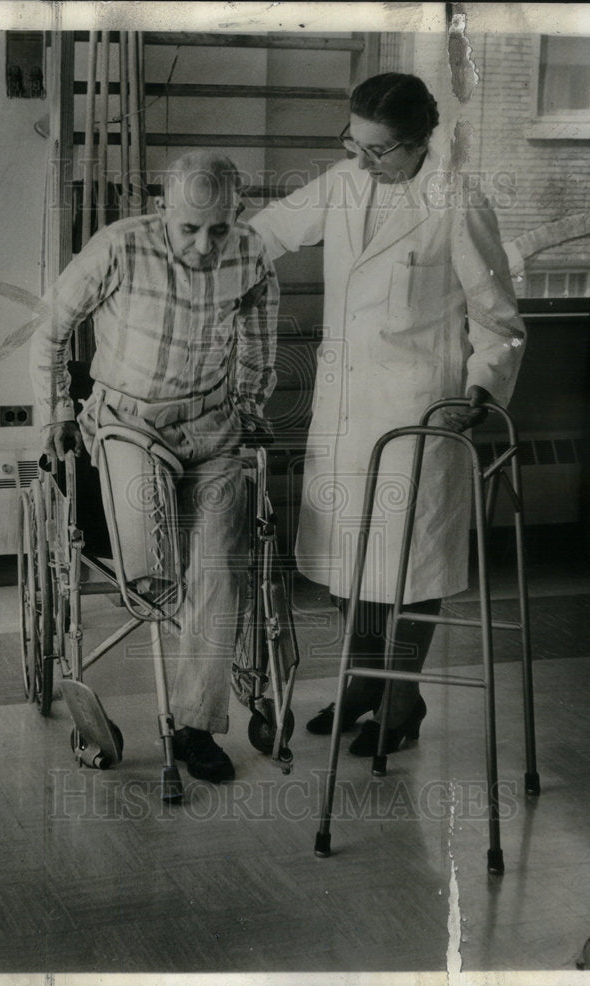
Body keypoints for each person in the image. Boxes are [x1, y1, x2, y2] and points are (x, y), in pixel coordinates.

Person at [249, 73, 526, 756]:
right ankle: (361, 682)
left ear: (420, 140)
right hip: (343, 406)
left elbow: (500, 321)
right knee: (347, 559)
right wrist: (175, 244)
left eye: (381, 150)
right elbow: (267, 232)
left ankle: (402, 699)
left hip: (419, 413)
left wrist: (481, 391)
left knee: (409, 565)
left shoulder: (456, 204)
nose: (366, 161)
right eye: (356, 143)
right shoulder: (343, 184)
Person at [30, 151, 279, 782]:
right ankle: (118, 691)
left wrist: (249, 406)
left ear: (237, 215)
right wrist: (58, 413)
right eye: (189, 227)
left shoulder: (251, 254)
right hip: (127, 425)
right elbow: (50, 329)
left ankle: (195, 726)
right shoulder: (119, 247)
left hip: (212, 427)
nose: (203, 244)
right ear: (162, 207)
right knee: (151, 573)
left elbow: (259, 342)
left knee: (219, 571)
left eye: (218, 228)